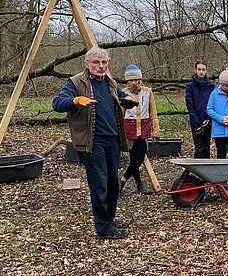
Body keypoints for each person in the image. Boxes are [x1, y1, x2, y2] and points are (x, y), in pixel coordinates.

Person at [52, 47, 139, 239]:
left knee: (112, 184)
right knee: (99, 185)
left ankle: (109, 220)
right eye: (96, 62)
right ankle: (103, 228)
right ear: (87, 64)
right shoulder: (76, 82)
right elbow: (57, 103)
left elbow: (120, 97)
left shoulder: (110, 83)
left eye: (104, 63)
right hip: (93, 142)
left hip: (113, 140)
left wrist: (127, 100)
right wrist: (75, 100)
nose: (101, 66)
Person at [119, 64, 160, 195]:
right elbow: (120, 113)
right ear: (127, 80)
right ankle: (139, 184)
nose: (133, 82)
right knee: (133, 159)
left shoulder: (148, 92)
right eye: (130, 80)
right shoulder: (123, 93)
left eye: (135, 79)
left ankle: (122, 180)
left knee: (139, 158)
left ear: (139, 79)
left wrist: (155, 130)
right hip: (129, 129)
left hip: (143, 129)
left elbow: (153, 112)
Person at [185, 60, 215, 158]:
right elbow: (190, 105)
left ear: (206, 70)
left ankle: (206, 170)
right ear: (196, 70)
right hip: (196, 120)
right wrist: (196, 122)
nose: (201, 72)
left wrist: (209, 118)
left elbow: (213, 103)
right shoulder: (190, 86)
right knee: (199, 147)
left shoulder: (211, 86)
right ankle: (196, 170)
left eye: (203, 69)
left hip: (208, 120)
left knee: (207, 147)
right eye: (199, 69)